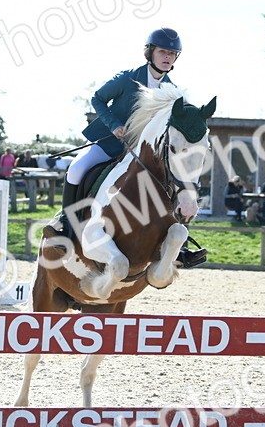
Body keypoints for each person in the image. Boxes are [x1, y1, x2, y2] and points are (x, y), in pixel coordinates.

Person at [53, 27, 206, 268]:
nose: (168, 57)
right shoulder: (127, 79)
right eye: (163, 51)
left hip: (143, 154)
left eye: (173, 53)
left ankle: (181, 248)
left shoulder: (172, 91)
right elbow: (97, 98)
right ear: (150, 52)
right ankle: (65, 226)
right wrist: (114, 124)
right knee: (76, 168)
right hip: (112, 143)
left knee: (172, 183)